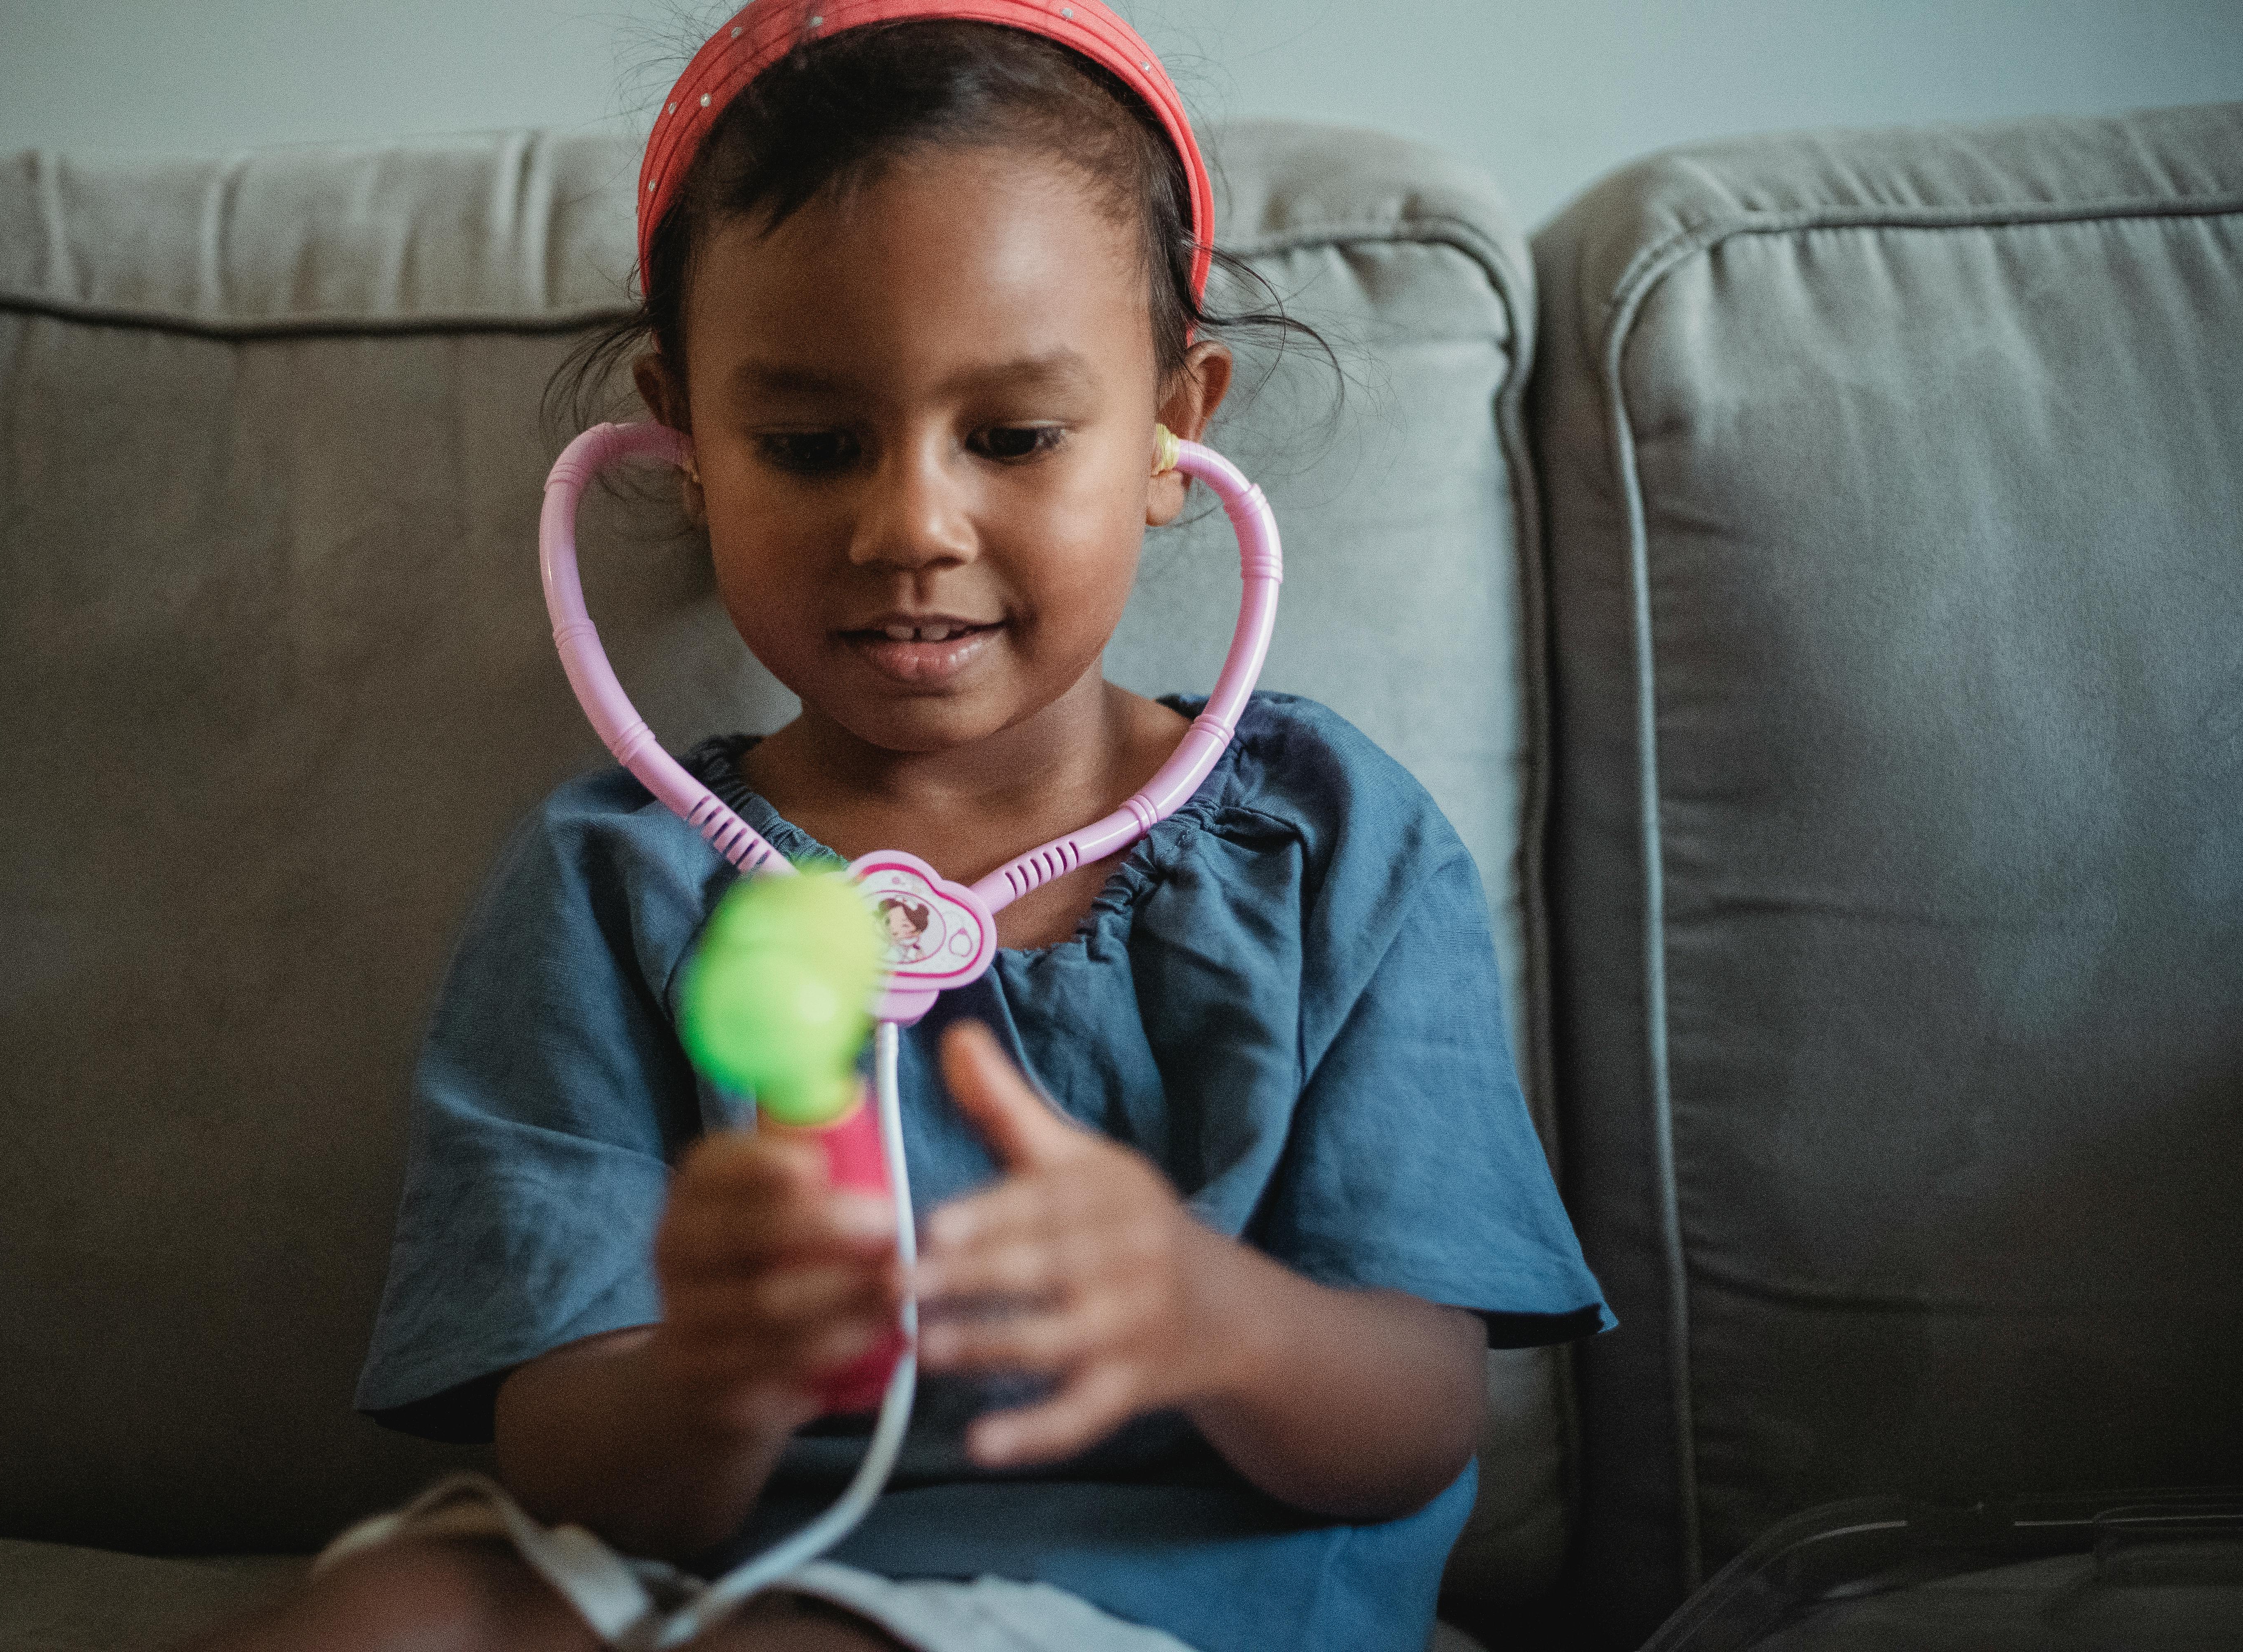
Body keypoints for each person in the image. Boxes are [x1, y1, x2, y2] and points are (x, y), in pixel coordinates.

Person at [198, 2, 1607, 1647]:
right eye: (808, 445)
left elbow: (1420, 1422)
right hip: (706, 1557)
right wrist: (717, 1380)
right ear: (693, 447)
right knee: (385, 1616)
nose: (910, 526)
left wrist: (1204, 1313)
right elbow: (577, 1467)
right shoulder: (612, 883)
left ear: (1176, 432)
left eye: (1013, 437)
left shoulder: (1332, 847)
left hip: (1173, 1592)